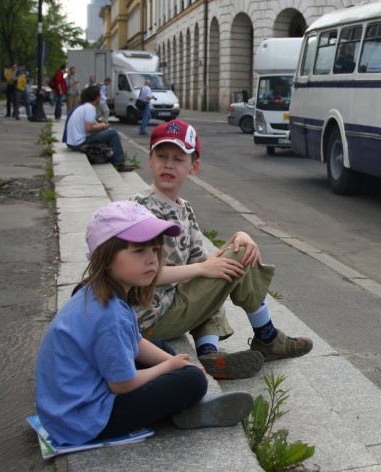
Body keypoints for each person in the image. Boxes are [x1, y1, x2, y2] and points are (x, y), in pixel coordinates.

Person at [35, 200, 254, 446]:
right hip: (82, 420)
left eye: (155, 250)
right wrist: (168, 367)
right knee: (191, 383)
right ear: (103, 257)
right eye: (139, 251)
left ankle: (181, 402)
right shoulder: (108, 315)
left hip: (71, 404)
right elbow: (122, 384)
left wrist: (184, 363)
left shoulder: (96, 290)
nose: (152, 260)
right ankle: (184, 407)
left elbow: (135, 341)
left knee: (160, 347)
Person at [130, 119, 313, 379]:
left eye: (178, 158)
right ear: (150, 160)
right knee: (228, 264)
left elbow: (203, 264)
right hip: (149, 321)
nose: (168, 164)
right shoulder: (140, 208)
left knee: (231, 257)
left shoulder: (184, 208)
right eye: (161, 156)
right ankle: (267, 336)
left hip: (169, 307)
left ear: (193, 167)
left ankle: (209, 352)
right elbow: (138, 274)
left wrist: (239, 236)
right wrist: (208, 266)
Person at [64, 86, 136, 172]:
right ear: (97, 97)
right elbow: (89, 128)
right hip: (79, 142)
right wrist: (103, 126)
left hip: (72, 142)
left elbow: (93, 123)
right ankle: (119, 163)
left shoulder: (83, 107)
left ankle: (112, 157)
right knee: (113, 133)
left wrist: (101, 125)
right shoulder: (90, 108)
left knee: (106, 133)